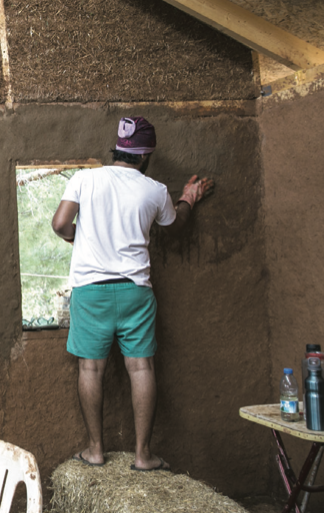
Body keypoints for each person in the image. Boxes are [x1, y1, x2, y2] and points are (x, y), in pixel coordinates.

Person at [51, 117, 213, 472]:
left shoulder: (86, 178)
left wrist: (82, 238)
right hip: (135, 292)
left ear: (119, 148)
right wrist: (188, 198)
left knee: (90, 369)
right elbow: (176, 225)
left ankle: (95, 451)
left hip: (91, 292)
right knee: (141, 368)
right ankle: (143, 456)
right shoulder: (154, 190)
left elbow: (60, 223)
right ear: (145, 156)